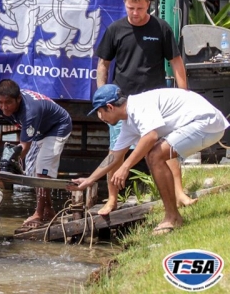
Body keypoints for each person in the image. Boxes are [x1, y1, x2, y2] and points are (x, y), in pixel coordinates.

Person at [69, 84, 229, 234]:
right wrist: (90, 179)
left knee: (154, 154)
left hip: (207, 123)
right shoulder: (129, 122)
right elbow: (114, 155)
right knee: (154, 154)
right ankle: (173, 216)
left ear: (110, 107)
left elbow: (151, 137)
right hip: (202, 125)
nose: (100, 117)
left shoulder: (138, 106)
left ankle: (173, 218)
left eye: (100, 111)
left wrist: (125, 167)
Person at [95, 0, 194, 215]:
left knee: (166, 149)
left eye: (140, 8)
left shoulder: (161, 28)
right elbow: (103, 64)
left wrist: (184, 93)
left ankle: (179, 193)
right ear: (125, 5)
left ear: (148, 5)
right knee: (116, 152)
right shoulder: (115, 30)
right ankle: (111, 199)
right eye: (131, 8)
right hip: (122, 103)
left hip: (156, 102)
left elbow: (176, 62)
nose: (135, 13)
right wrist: (102, 97)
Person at [0, 79, 72, 229]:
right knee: (34, 172)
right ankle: (49, 210)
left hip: (57, 127)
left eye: (8, 103)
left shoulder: (30, 111)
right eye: (0, 103)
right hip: (39, 130)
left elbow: (24, 146)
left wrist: (9, 164)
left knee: (42, 169)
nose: (4, 107)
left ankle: (39, 214)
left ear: (18, 99)